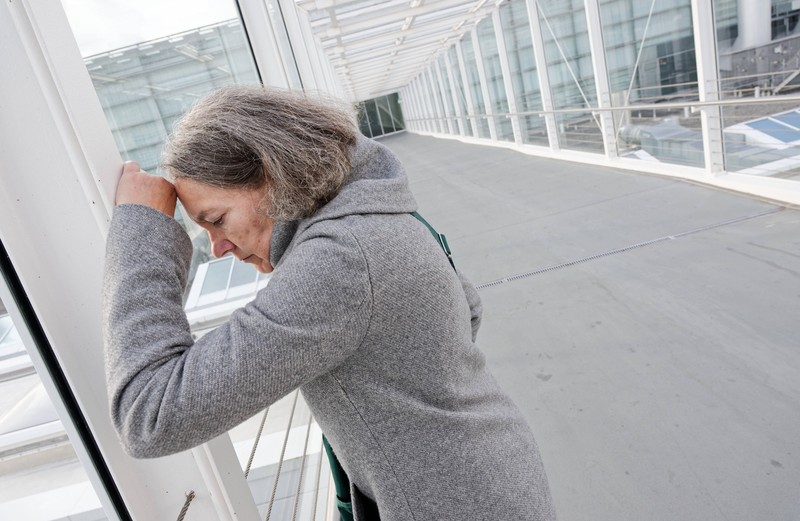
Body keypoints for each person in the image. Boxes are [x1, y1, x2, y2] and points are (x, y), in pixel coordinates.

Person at [103, 85, 556, 520]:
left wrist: (143, 233)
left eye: (217, 220)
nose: (217, 247)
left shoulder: (339, 261)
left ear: (273, 175)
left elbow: (150, 415)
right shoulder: (377, 211)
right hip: (494, 476)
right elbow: (468, 307)